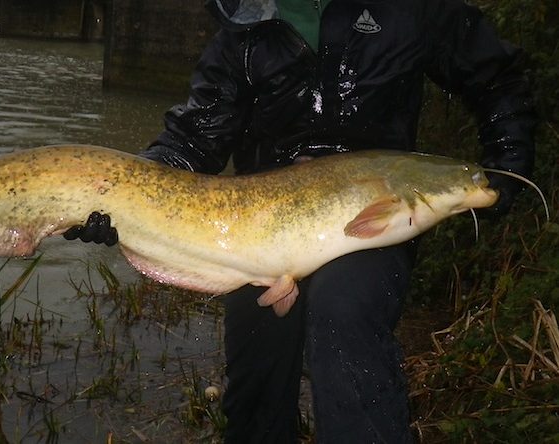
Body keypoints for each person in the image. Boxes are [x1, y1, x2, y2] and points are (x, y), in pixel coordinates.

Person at [65, 0, 536, 442]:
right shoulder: (245, 20)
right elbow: (192, 140)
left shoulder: (409, 9)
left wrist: (508, 158)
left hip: (369, 222)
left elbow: (497, 77)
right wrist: (115, 198)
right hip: (262, 224)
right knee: (257, 373)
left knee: (343, 316)